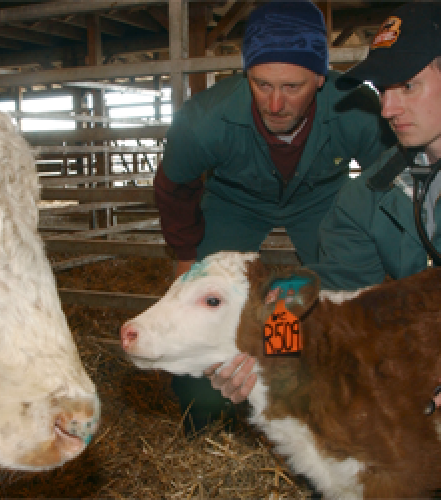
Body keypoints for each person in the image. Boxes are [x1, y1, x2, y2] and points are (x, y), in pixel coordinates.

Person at [207, 2, 441, 497]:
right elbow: (330, 287)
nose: (387, 108)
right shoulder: (372, 192)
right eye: (382, 89)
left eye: (408, 86)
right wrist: (268, 351)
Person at [154, 0, 394, 432]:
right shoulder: (203, 119)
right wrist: (186, 257)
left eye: (293, 86)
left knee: (342, 292)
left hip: (320, 197)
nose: (276, 103)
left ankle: (327, 399)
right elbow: (175, 188)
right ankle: (204, 411)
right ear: (246, 74)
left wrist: (384, 254)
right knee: (205, 295)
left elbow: (388, 181)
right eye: (262, 84)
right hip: (235, 198)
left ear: (320, 78)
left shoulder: (357, 107)